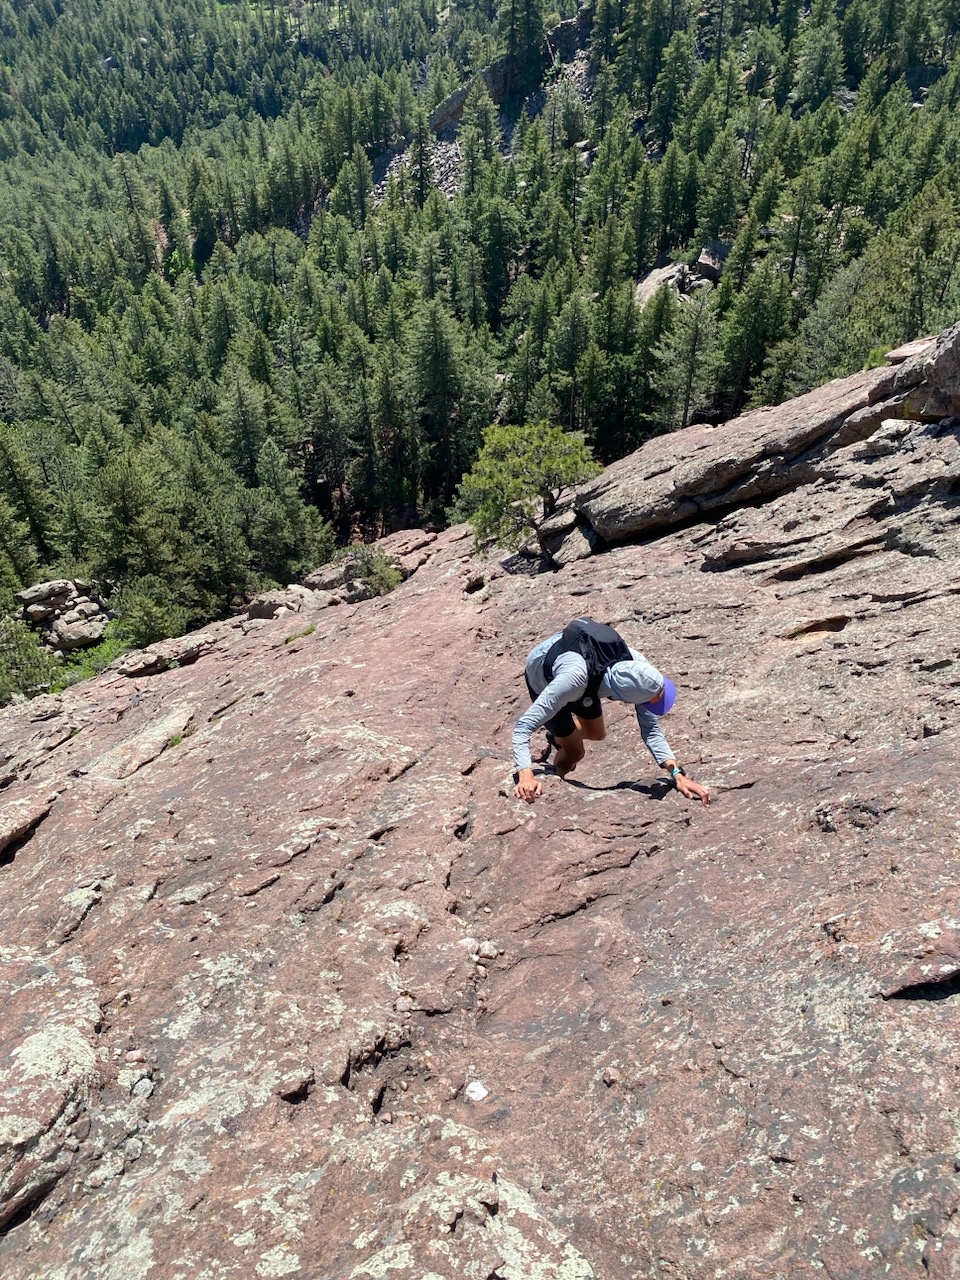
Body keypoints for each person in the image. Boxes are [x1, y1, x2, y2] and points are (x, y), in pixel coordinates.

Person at [512, 617, 710, 806]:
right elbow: (523, 727)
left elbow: (651, 730)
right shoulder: (575, 679)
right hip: (546, 678)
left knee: (597, 734)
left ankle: (559, 737)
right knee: (575, 751)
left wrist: (677, 775)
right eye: (652, 701)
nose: (655, 702)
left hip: (586, 681)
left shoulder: (639, 669)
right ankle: (559, 774)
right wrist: (525, 774)